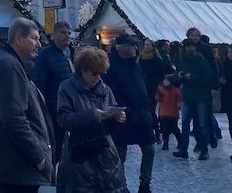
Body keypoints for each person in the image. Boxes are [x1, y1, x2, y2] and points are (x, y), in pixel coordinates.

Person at [0, 17, 55, 193]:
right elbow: (14, 119)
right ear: (18, 38)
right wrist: (39, 158)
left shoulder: (9, 61)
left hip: (14, 164)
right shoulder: (9, 64)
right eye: (34, 38)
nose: (39, 44)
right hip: (18, 166)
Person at [56, 47, 129, 193]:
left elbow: (111, 124)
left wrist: (118, 119)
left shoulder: (105, 89)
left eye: (101, 74)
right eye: (94, 73)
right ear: (83, 69)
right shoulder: (67, 88)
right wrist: (91, 116)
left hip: (106, 158)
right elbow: (63, 120)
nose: (98, 78)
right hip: (79, 158)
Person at [103, 34, 156, 193]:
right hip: (123, 116)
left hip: (143, 115)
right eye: (132, 45)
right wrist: (125, 111)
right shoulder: (110, 66)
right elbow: (112, 93)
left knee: (150, 149)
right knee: (120, 155)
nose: (135, 48)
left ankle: (144, 185)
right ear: (122, 47)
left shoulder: (136, 65)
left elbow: (141, 86)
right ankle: (121, 186)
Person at [34, 21, 74, 161]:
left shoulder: (73, 54)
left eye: (69, 33)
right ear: (53, 35)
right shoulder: (45, 56)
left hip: (72, 109)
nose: (67, 36)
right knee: (55, 145)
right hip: (54, 108)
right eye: (63, 32)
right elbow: (40, 85)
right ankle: (51, 175)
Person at [172, 38, 213, 161]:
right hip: (188, 96)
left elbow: (207, 78)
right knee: (184, 123)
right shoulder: (182, 61)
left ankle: (204, 150)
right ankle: (183, 149)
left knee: (201, 124)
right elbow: (176, 78)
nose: (191, 48)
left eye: (192, 46)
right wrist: (178, 77)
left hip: (201, 97)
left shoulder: (202, 61)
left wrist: (192, 77)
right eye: (188, 46)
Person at [138, 38, 169, 137]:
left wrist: (153, 80)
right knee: (144, 111)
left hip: (153, 89)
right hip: (142, 88)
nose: (146, 47)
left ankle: (156, 132)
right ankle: (147, 131)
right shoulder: (140, 58)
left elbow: (161, 75)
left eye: (148, 45)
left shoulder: (157, 59)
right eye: (145, 45)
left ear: (153, 47)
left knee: (151, 111)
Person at [155, 78, 182, 150]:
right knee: (164, 129)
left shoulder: (176, 91)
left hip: (172, 113)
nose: (165, 82)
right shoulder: (161, 90)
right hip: (163, 113)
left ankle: (180, 141)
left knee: (174, 128)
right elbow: (158, 99)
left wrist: (178, 106)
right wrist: (158, 92)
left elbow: (179, 100)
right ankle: (166, 143)